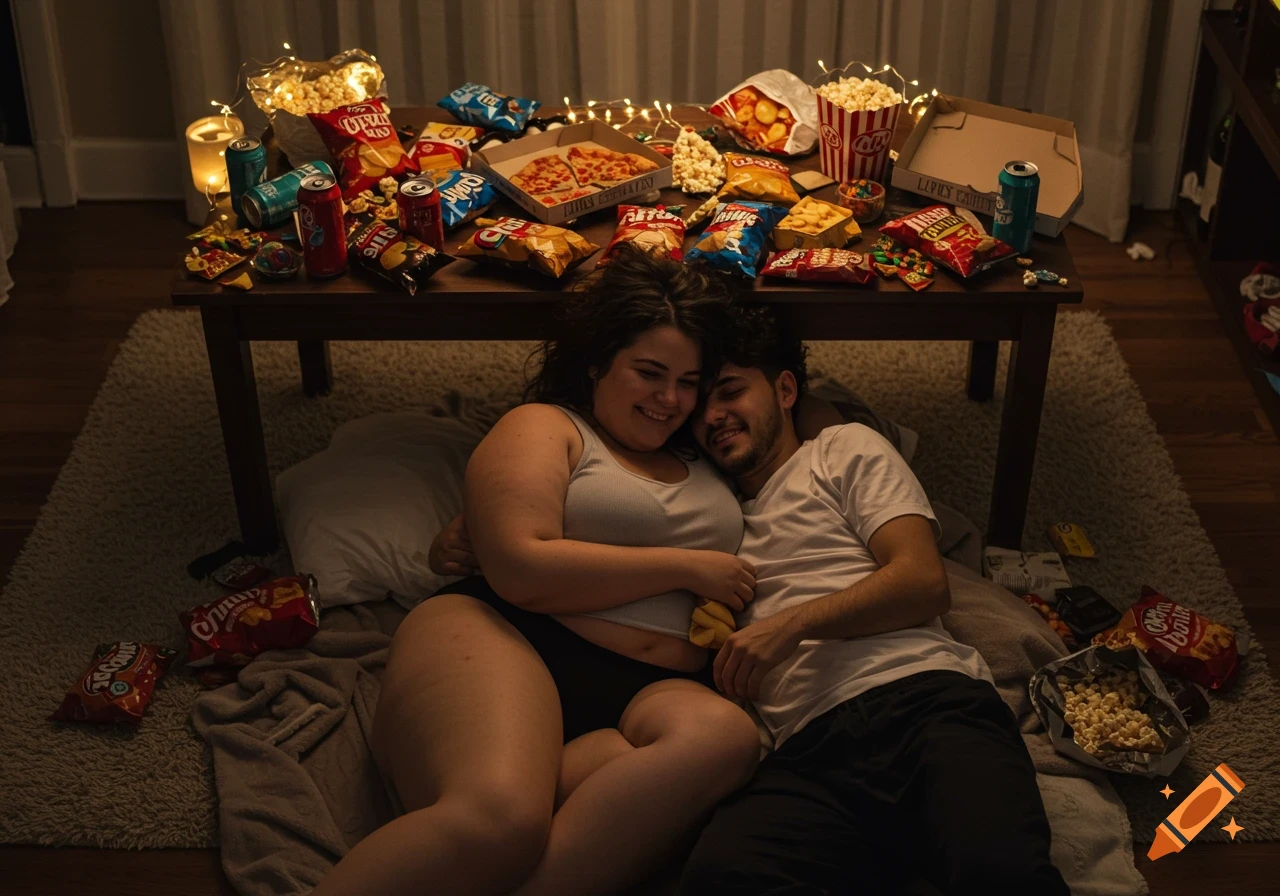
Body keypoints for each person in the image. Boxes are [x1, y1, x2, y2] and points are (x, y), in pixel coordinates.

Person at [310, 244, 764, 896]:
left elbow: (800, 411)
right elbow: (521, 567)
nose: (669, 399)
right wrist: (689, 568)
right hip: (507, 632)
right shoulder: (546, 427)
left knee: (726, 739)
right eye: (649, 372)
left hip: (646, 689)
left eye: (688, 382)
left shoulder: (707, 457)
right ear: (597, 363)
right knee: (501, 821)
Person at [676, 306, 1070, 896]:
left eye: (730, 391)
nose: (713, 416)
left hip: (925, 705)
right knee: (719, 877)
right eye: (699, 403)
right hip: (807, 751)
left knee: (999, 873)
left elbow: (921, 582)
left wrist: (789, 626)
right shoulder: (708, 512)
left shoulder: (839, 451)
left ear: (785, 390)